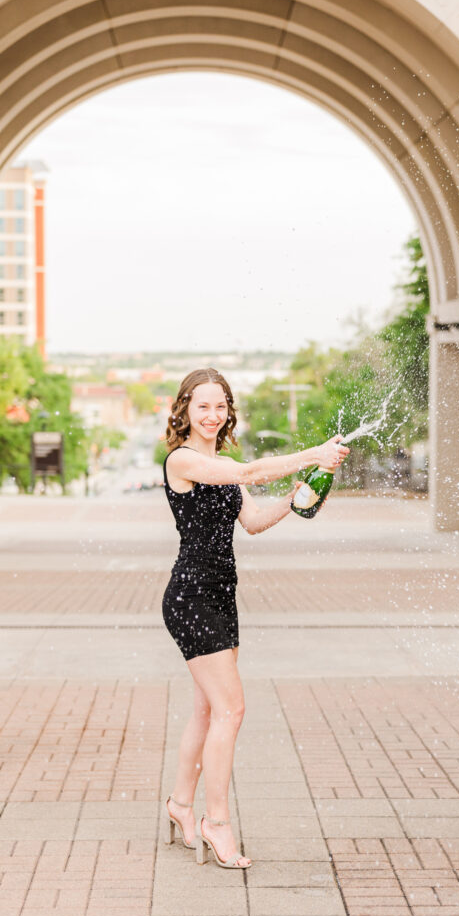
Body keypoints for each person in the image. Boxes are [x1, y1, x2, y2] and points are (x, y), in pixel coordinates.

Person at [161, 367, 348, 869]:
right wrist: (311, 453)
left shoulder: (224, 462)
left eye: (220, 405)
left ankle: (180, 805)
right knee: (231, 710)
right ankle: (214, 822)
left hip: (222, 594)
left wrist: (301, 492)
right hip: (191, 595)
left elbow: (255, 521)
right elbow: (249, 474)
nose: (212, 414)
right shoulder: (183, 461)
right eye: (202, 405)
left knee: (208, 710)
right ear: (184, 409)